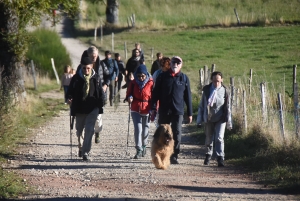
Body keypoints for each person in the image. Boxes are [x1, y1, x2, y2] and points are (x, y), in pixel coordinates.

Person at [151, 56, 193, 165]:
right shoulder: (163, 76)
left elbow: (188, 97)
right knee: (162, 132)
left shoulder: (184, 78)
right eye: (174, 62)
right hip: (164, 110)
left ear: (181, 65)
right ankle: (161, 152)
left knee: (177, 133)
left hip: (177, 111)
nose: (175, 64)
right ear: (170, 63)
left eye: (178, 63)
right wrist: (153, 107)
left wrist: (190, 113)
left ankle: (174, 154)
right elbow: (155, 93)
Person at [67, 57, 105, 161]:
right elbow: (70, 91)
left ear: (91, 67)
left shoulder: (96, 78)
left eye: (88, 68)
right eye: (84, 68)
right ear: (81, 67)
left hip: (93, 108)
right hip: (79, 108)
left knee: (90, 130)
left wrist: (101, 103)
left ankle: (85, 152)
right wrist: (69, 98)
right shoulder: (76, 78)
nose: (86, 70)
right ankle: (81, 147)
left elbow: (100, 92)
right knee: (79, 131)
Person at [196, 71, 232, 167]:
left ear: (222, 80)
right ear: (211, 80)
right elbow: (202, 106)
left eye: (218, 81)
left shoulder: (225, 91)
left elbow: (228, 107)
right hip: (209, 118)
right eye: (215, 81)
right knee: (209, 138)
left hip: (221, 118)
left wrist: (229, 123)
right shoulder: (207, 90)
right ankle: (208, 155)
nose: (216, 83)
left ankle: (220, 158)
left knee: (219, 138)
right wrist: (199, 121)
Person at [77, 46, 110, 144]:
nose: (94, 58)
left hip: (99, 95)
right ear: (88, 55)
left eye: (95, 56)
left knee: (98, 118)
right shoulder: (82, 66)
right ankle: (85, 140)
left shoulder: (102, 65)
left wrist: (105, 85)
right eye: (92, 56)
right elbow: (76, 79)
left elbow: (108, 75)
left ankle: (97, 132)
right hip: (86, 97)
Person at [125, 64, 154, 159]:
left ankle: (144, 145)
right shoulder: (133, 83)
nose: (141, 78)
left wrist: (154, 108)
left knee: (146, 129)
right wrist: (129, 97)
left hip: (147, 108)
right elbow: (128, 93)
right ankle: (138, 149)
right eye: (139, 76)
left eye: (143, 76)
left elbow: (154, 97)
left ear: (146, 75)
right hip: (135, 108)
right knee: (138, 129)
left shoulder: (151, 83)